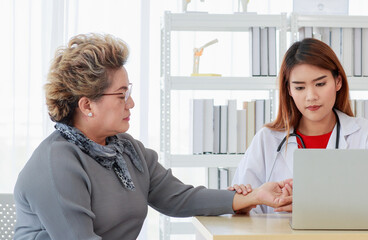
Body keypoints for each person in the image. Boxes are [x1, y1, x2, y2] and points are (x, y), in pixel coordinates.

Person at [13, 33, 293, 240]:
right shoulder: (56, 163)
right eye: (122, 95)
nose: (131, 104)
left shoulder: (127, 150)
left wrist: (255, 196)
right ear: (87, 105)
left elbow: (180, 198)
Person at [230, 38, 368, 213]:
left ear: (338, 82)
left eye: (320, 84)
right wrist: (250, 203)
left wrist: (315, 207)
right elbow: (242, 208)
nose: (311, 96)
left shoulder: (366, 135)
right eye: (299, 88)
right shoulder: (267, 139)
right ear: (289, 90)